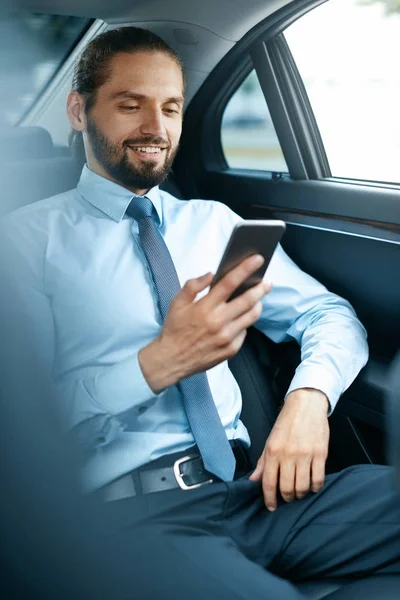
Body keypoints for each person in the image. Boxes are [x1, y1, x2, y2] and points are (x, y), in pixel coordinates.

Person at [0, 26, 399, 599]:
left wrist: (308, 400)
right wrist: (155, 365)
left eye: (170, 108)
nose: (155, 129)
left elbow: (329, 315)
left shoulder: (212, 224)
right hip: (129, 520)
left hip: (252, 496)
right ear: (78, 111)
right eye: (130, 104)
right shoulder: (24, 244)